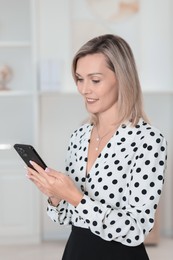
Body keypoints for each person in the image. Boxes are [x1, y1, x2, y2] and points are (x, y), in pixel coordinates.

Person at [26, 34, 167, 260]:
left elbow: (137, 230)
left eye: (95, 80)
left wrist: (76, 198)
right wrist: (55, 196)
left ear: (121, 78)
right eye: (80, 79)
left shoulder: (147, 140)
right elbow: (65, 217)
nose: (84, 89)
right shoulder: (79, 136)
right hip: (76, 252)